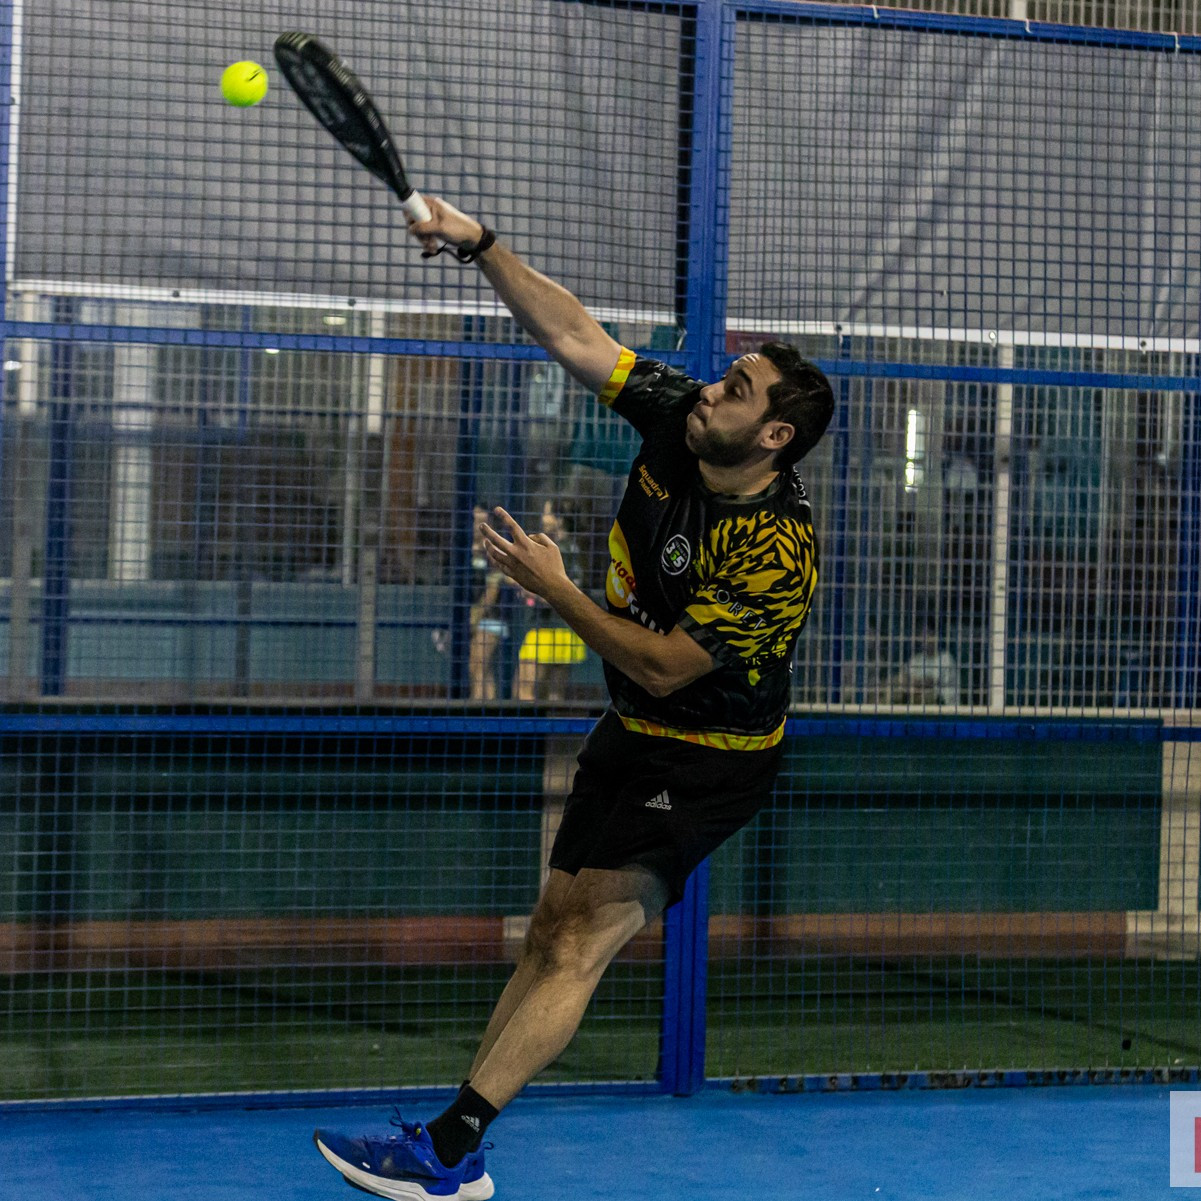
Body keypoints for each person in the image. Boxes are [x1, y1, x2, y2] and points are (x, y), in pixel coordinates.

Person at [312, 199, 835, 1201]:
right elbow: (573, 335)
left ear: (773, 434)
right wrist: (481, 246)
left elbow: (665, 666)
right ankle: (454, 1150)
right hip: (630, 730)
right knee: (550, 928)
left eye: (734, 388)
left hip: (709, 758)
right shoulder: (680, 421)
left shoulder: (774, 549)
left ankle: (447, 1151)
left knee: (584, 937)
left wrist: (553, 588)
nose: (709, 389)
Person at [513, 501, 588, 702]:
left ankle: (526, 725)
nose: (543, 518)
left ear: (559, 520)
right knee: (555, 696)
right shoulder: (575, 549)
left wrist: (530, 591)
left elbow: (557, 591)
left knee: (524, 690)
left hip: (545, 629)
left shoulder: (556, 552)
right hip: (566, 629)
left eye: (547, 513)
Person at [468, 503, 509, 701]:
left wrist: (477, 615)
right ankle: (487, 708)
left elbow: (494, 587)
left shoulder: (492, 550)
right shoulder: (465, 549)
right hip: (472, 617)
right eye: (474, 521)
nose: (477, 526)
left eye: (481, 522)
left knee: (478, 666)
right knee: (481, 669)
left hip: (490, 617)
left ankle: (479, 710)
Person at [885, 620, 959, 705]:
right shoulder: (916, 659)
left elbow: (930, 682)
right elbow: (903, 678)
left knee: (927, 695)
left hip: (942, 703)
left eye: (928, 634)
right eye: (921, 635)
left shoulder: (946, 658)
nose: (924, 639)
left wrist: (914, 682)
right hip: (917, 697)